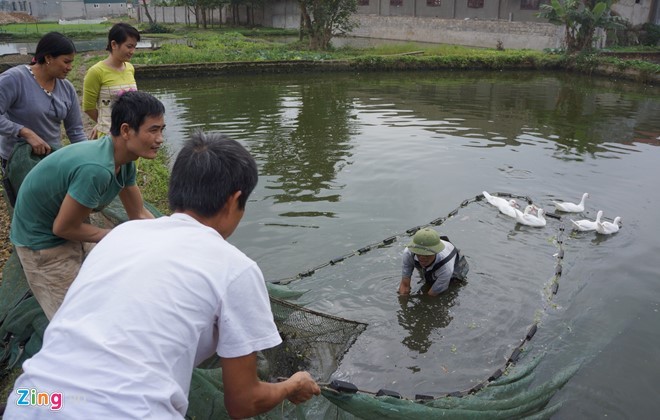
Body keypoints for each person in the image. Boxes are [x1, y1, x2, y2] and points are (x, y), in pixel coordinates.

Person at [5, 131, 321, 419]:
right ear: (234, 200)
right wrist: (293, 385)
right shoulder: (236, 268)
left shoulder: (121, 235)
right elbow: (243, 402)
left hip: (32, 399)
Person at [9, 90, 163, 320]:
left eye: (162, 130)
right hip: (41, 241)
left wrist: (170, 237)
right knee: (73, 321)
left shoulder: (125, 159)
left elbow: (138, 213)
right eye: (153, 130)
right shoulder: (96, 170)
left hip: (69, 224)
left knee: (103, 290)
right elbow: (63, 228)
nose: (160, 139)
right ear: (126, 130)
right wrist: (118, 235)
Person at [0, 31, 86, 173]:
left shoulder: (67, 88)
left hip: (51, 159)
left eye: (72, 62)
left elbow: (75, 131)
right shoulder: (15, 79)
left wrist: (89, 155)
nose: (70, 67)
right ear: (48, 58)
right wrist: (24, 132)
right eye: (66, 61)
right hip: (19, 161)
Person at [82, 22, 140, 139]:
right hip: (109, 135)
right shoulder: (96, 72)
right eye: (129, 46)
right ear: (114, 44)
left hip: (130, 135)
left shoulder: (129, 68)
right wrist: (102, 123)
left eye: (134, 46)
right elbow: (88, 108)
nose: (132, 51)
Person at [398, 228, 468, 297]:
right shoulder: (408, 253)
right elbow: (405, 284)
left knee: (452, 285)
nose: (422, 258)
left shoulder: (446, 266)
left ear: (436, 252)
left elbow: (432, 294)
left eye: (427, 254)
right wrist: (403, 304)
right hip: (434, 259)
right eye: (419, 253)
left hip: (456, 263)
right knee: (426, 276)